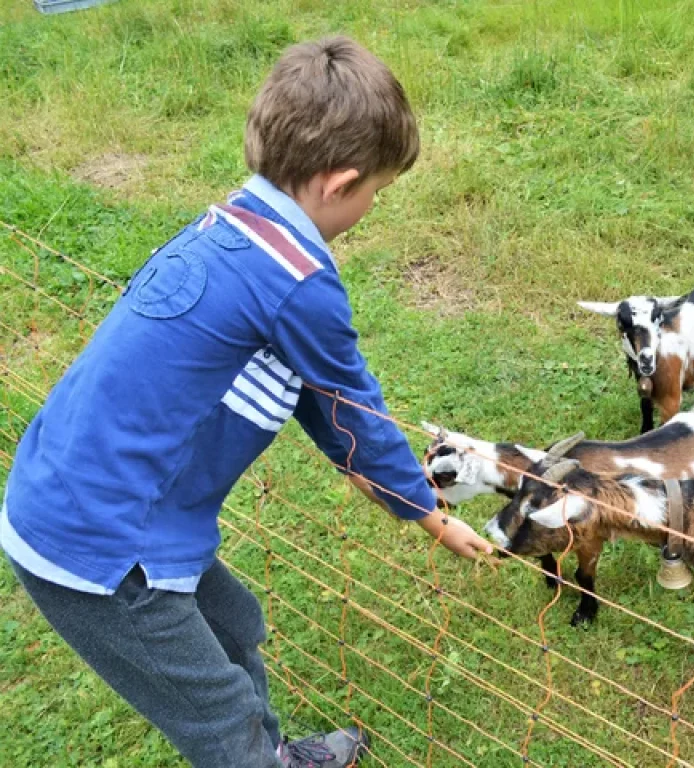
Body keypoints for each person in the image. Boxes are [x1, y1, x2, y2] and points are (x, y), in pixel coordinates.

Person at [1, 36, 493, 768]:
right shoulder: (297, 278)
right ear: (341, 183)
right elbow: (349, 408)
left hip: (88, 496)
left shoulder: (228, 229)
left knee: (234, 625)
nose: (373, 206)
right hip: (103, 550)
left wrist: (404, 500)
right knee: (221, 720)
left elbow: (318, 405)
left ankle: (276, 758)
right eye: (376, 192)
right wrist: (428, 513)